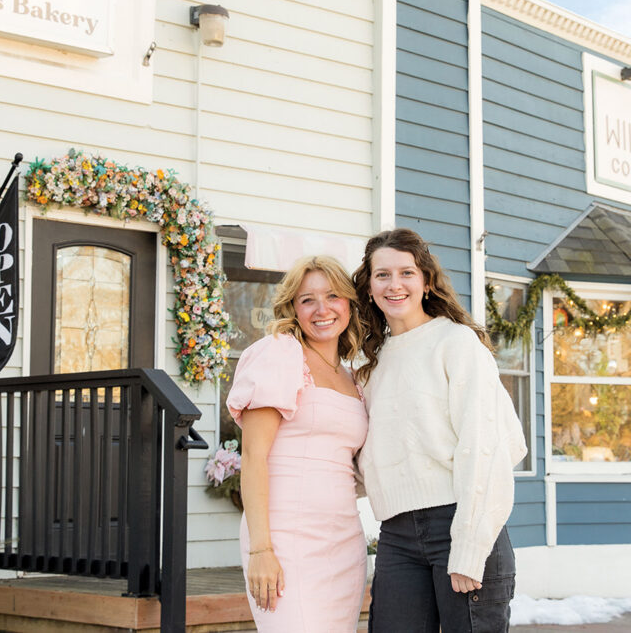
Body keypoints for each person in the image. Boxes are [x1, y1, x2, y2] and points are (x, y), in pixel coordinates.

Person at [353, 228, 527, 632]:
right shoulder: (371, 363)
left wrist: (469, 546)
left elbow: (484, 447)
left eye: (406, 273)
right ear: (369, 285)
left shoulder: (456, 342)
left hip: (458, 521)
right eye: (382, 275)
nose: (394, 285)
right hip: (396, 534)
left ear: (426, 281)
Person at [226, 255, 368, 632]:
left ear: (350, 305)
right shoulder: (279, 354)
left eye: (333, 296)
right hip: (286, 539)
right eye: (308, 300)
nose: (322, 309)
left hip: (343, 539)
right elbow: (254, 457)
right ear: (293, 308)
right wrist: (261, 550)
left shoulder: (353, 375)